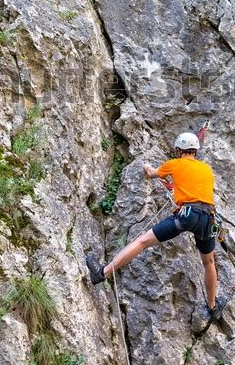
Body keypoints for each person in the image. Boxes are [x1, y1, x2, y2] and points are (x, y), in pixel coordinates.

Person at [86, 132, 226, 321]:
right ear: (195, 151)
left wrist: (146, 166)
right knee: (209, 262)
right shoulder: (207, 170)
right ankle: (212, 306)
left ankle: (102, 273)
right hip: (208, 218)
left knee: (143, 241)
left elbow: (151, 174)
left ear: (179, 150)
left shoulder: (174, 164)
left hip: (187, 214)